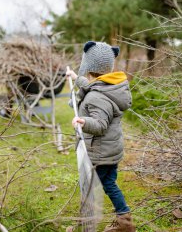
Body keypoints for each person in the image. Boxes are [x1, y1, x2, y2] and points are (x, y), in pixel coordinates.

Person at [67, 41, 135, 232]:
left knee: (89, 187)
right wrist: (76, 78)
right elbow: (92, 86)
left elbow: (101, 125)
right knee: (107, 184)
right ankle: (123, 220)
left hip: (100, 152)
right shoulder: (109, 85)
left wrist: (83, 122)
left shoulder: (96, 96)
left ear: (90, 67)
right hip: (110, 150)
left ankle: (98, 222)